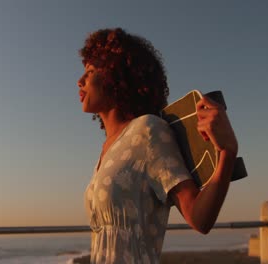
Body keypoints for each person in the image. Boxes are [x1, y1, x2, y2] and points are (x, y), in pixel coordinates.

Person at [77, 28, 238, 264]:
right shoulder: (108, 148)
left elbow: (199, 217)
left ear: (117, 77)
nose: (80, 80)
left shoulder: (147, 130)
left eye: (90, 71)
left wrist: (227, 152)